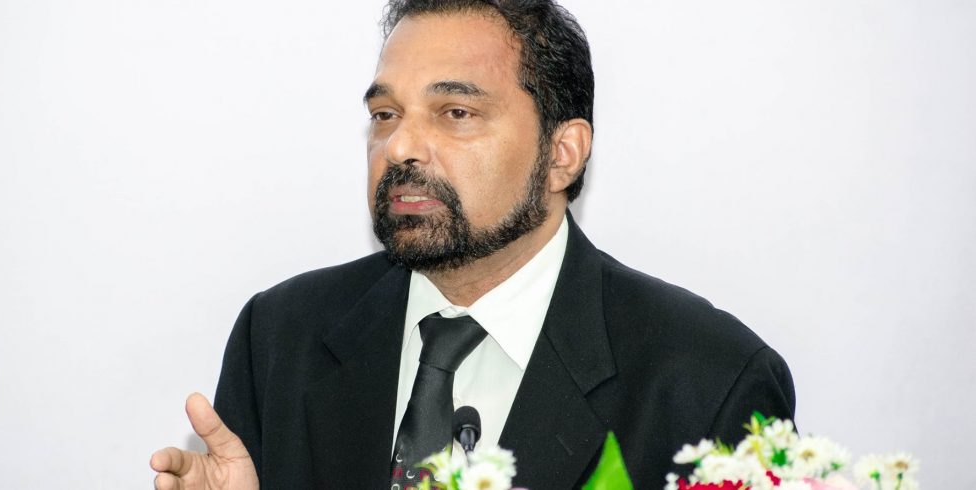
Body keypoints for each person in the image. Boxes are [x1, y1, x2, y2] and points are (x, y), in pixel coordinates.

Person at [150, 0, 795, 488]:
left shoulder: (709, 382)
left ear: (562, 154)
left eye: (455, 113)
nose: (400, 147)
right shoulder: (280, 336)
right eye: (384, 115)